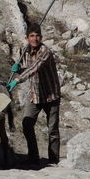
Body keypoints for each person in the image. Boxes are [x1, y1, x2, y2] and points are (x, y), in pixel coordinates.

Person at [7, 23, 61, 165]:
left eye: (37, 36)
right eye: (32, 36)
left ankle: (54, 161)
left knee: (53, 130)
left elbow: (35, 68)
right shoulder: (26, 51)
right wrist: (18, 68)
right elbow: (28, 68)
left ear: (41, 37)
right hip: (35, 94)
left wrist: (17, 79)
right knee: (27, 123)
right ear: (27, 38)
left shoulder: (45, 51)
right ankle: (33, 157)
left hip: (51, 95)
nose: (35, 39)